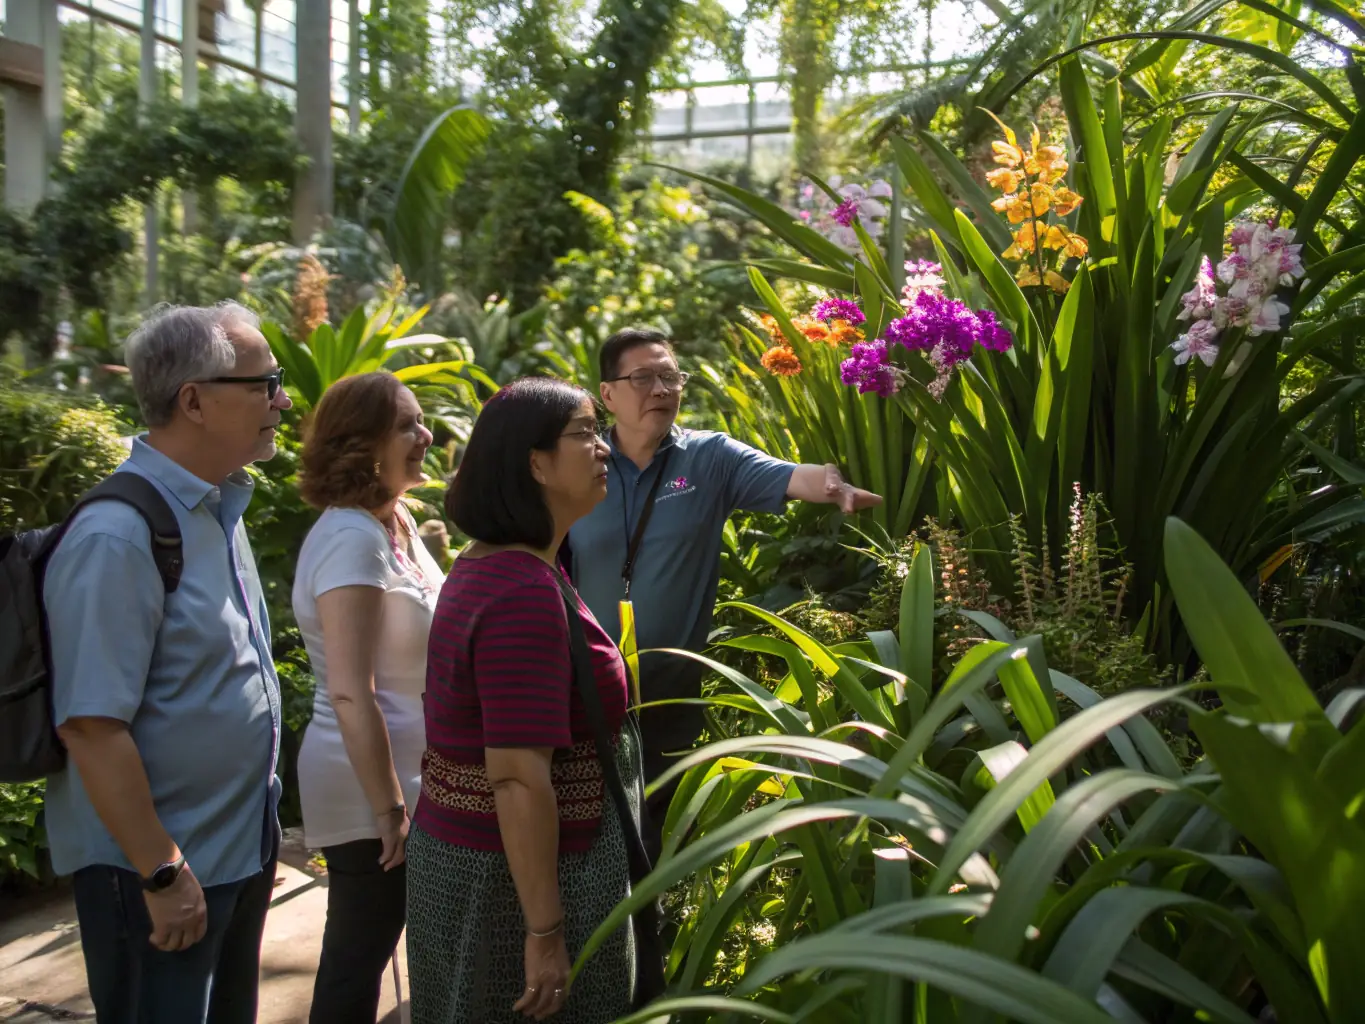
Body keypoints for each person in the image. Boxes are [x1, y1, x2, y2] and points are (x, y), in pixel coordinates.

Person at [43, 302, 292, 1023]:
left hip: (227, 856)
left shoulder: (215, 510)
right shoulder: (118, 535)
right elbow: (91, 727)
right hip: (154, 872)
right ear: (193, 400)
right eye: (264, 383)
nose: (280, 400)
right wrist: (161, 868)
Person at [567, 326, 882, 858]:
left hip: (670, 694)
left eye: (670, 376)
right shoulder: (580, 463)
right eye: (643, 377)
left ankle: (652, 938)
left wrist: (834, 486)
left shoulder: (708, 459)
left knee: (656, 848)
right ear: (608, 394)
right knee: (586, 842)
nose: (662, 389)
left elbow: (789, 476)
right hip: (583, 692)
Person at [407, 377, 639, 1024]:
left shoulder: (508, 566)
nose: (603, 448)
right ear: (534, 462)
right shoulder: (520, 594)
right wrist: (542, 933)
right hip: (509, 886)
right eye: (585, 432)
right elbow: (514, 776)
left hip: (494, 864)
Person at [292, 372, 444, 1024]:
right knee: (358, 962)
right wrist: (389, 808)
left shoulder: (396, 519)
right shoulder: (350, 538)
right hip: (366, 783)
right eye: (406, 425)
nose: (426, 434)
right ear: (362, 445)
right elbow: (353, 691)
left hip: (412, 770)